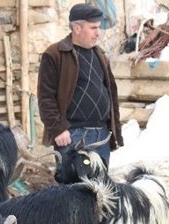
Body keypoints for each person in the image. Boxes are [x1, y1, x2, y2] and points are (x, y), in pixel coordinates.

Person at [37, 3, 122, 167]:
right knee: (72, 189)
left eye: (98, 27)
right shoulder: (55, 54)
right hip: (72, 135)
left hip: (101, 134)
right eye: (93, 28)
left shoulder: (101, 55)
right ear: (76, 28)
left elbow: (112, 95)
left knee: (100, 188)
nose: (98, 33)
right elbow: (46, 97)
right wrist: (58, 129)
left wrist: (115, 131)